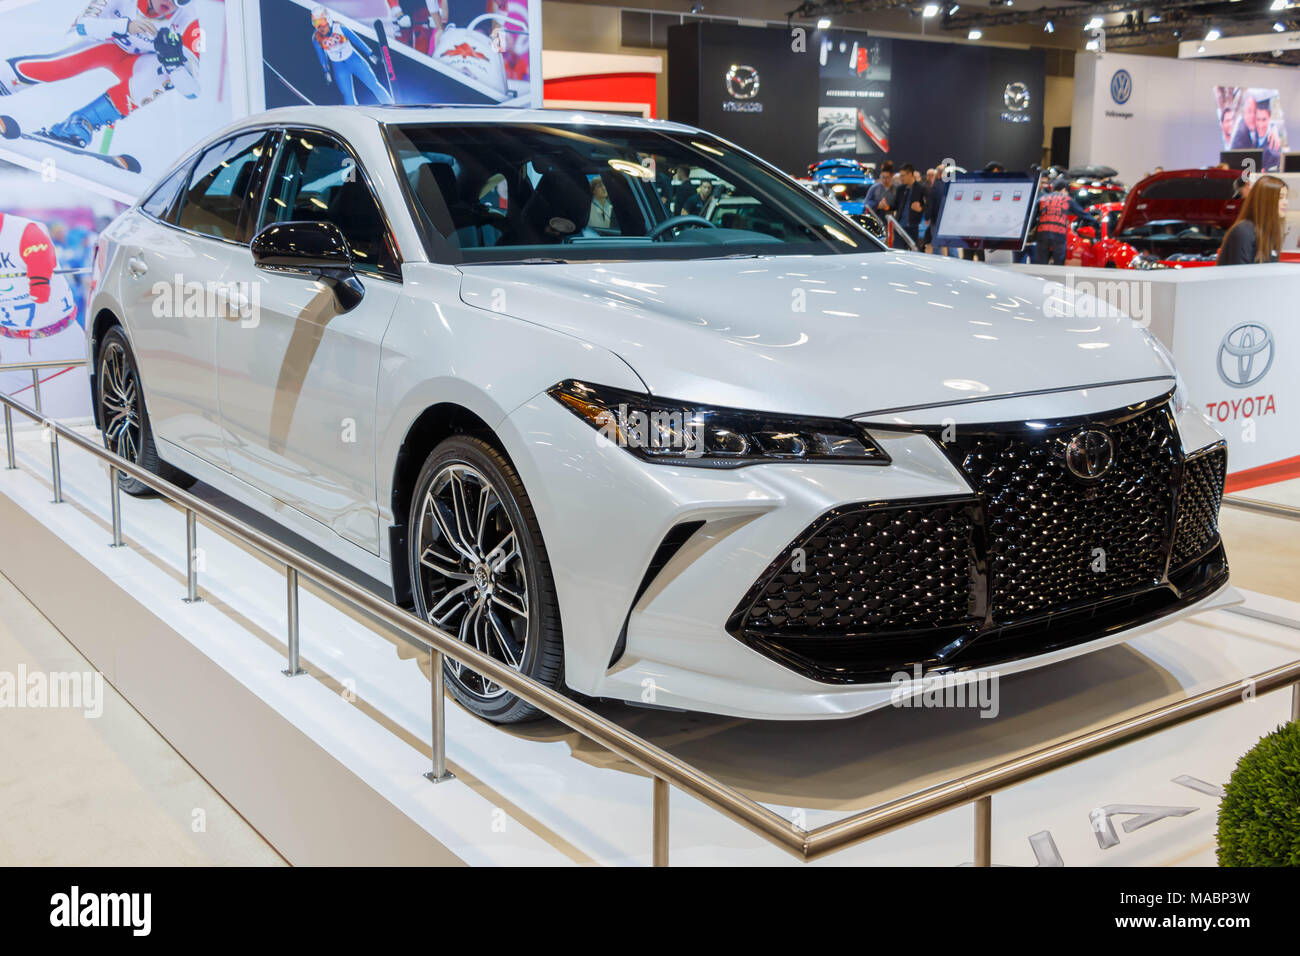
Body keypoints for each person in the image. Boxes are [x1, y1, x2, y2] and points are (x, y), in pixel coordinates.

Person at [0, 0, 202, 149]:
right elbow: (81, 26)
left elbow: (192, 91)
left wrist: (174, 63)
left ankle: (80, 124)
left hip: (138, 62)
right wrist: (125, 26)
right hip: (107, 43)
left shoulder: (188, 21)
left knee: (166, 73)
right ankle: (5, 80)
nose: (170, 2)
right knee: (59, 64)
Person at [312, 5, 394, 105]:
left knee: (373, 84)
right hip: (339, 67)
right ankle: (355, 113)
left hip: (353, 59)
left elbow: (356, 40)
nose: (320, 27)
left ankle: (390, 104)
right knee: (348, 95)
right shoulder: (316, 38)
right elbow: (321, 55)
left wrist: (370, 53)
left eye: (322, 22)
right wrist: (326, 71)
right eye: (316, 23)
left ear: (328, 19)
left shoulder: (339, 28)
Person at [1217, 174, 1288, 265]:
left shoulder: (1269, 232)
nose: (1285, 202)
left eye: (1286, 197)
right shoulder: (1244, 231)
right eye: (1281, 197)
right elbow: (1239, 272)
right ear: (1265, 200)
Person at [1036, 177, 1097, 265]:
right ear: (1064, 189)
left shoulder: (1043, 198)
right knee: (1059, 263)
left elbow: (1032, 215)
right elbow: (1082, 214)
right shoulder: (1067, 199)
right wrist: (1094, 221)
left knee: (1041, 263)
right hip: (1058, 233)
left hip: (1042, 233)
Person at [891, 163, 927, 248]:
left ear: (910, 174)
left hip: (914, 227)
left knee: (914, 251)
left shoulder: (921, 189)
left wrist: (920, 209)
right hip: (900, 227)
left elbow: (928, 206)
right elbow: (895, 206)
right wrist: (886, 206)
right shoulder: (900, 189)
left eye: (903, 176)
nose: (901, 178)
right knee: (898, 251)